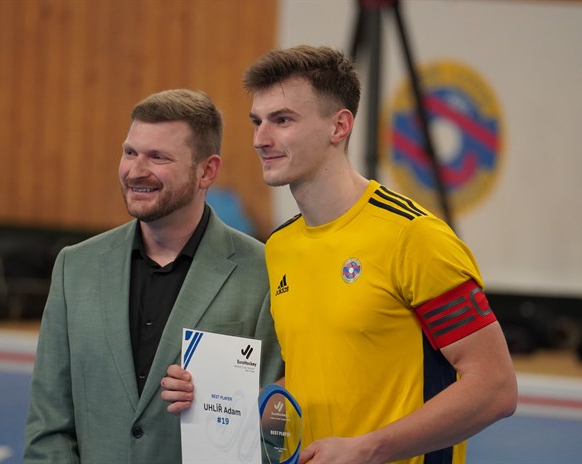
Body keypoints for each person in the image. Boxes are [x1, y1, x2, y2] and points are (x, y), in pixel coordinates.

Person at [164, 46, 517, 464]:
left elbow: (495, 388)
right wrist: (218, 399)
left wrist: (369, 448)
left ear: (339, 126)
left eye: (282, 120)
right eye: (257, 122)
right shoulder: (280, 247)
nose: (261, 139)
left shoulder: (414, 237)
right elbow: (311, 381)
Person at [24, 89, 284, 463]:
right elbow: (48, 427)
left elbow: (275, 429)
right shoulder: (75, 268)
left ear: (207, 171)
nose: (135, 171)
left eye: (158, 157)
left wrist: (222, 402)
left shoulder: (263, 273)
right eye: (130, 153)